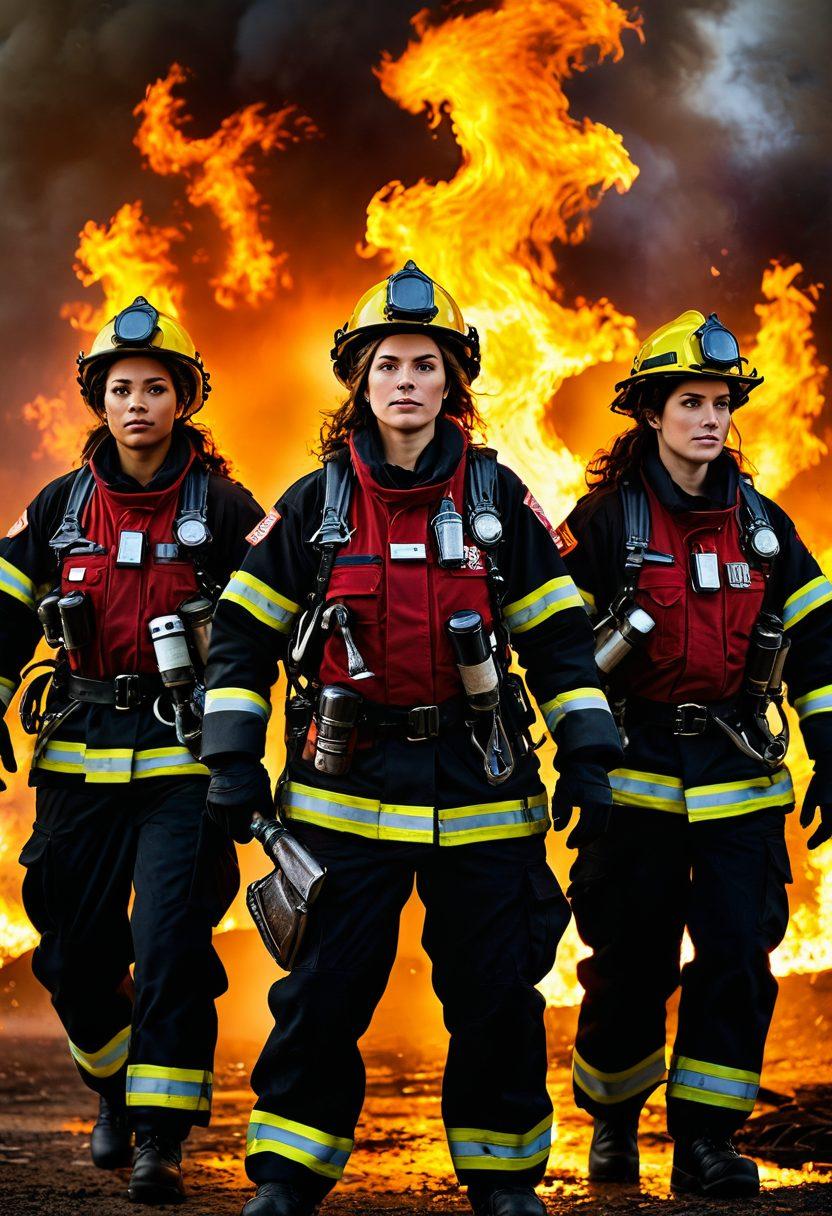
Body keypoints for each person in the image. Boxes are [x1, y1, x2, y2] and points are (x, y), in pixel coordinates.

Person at [201, 261, 623, 1216]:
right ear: (360, 381)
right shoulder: (312, 508)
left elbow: (558, 642)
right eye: (387, 363)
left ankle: (506, 1176)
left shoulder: (500, 502)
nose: (404, 381)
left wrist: (591, 754)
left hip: (478, 787)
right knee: (322, 996)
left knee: (499, 998)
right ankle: (288, 1177)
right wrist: (230, 757)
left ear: (451, 384)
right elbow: (240, 638)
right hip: (343, 795)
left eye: (424, 365)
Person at [560, 310, 832, 1198]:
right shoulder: (601, 524)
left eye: (720, 403)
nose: (710, 418)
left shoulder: (764, 525)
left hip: (740, 786)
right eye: (690, 401)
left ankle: (707, 1142)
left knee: (737, 966)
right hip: (632, 784)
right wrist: (577, 755)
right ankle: (612, 1116)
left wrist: (829, 750)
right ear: (650, 412)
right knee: (628, 970)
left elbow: (819, 641)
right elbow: (553, 644)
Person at [2, 297, 263, 1204]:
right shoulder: (59, 507)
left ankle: (160, 1136)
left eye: (157, 387)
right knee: (72, 953)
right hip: (78, 755)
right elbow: (3, 619)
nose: (138, 403)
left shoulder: (228, 510)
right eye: (122, 388)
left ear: (185, 399)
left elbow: (265, 633)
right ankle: (112, 1085)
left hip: (183, 762)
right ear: (98, 401)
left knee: (172, 944)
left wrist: (250, 746)